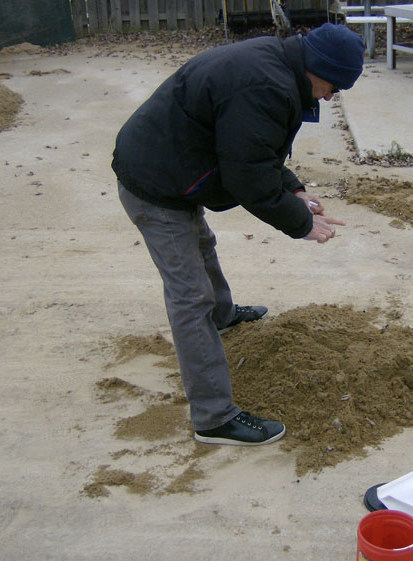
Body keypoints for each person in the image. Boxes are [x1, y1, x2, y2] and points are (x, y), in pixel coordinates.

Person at [112, 23, 365, 446]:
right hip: (154, 181)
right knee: (190, 295)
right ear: (317, 68)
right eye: (334, 85)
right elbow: (247, 176)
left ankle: (223, 316)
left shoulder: (276, 66)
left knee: (201, 245)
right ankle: (213, 418)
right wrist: (300, 224)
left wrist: (293, 189)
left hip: (175, 162)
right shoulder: (265, 85)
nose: (331, 96)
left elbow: (250, 146)